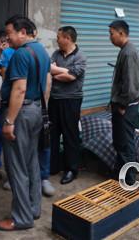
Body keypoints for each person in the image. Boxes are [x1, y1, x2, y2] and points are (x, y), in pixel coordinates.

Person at [0, 16, 51, 232]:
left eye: (9, 33)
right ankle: (33, 208)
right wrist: (42, 108)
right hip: (36, 110)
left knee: (16, 166)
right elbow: (47, 82)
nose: (6, 38)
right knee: (31, 161)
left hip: (21, 112)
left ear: (23, 32)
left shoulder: (20, 55)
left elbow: (19, 89)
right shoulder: (42, 51)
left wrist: (9, 121)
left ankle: (21, 218)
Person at [49, 26, 87, 185]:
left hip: (71, 100)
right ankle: (53, 165)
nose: (57, 40)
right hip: (54, 99)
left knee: (70, 134)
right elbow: (49, 69)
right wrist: (63, 71)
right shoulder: (56, 54)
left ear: (67, 38)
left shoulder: (80, 56)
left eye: (59, 37)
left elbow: (71, 77)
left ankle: (71, 169)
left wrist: (56, 72)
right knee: (52, 133)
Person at [108, 20, 139, 186]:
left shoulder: (128, 52)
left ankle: (129, 179)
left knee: (125, 142)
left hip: (125, 106)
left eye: (111, 33)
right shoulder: (126, 50)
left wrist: (122, 105)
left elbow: (130, 83)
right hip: (124, 105)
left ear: (121, 33)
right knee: (121, 141)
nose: (110, 37)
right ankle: (121, 173)